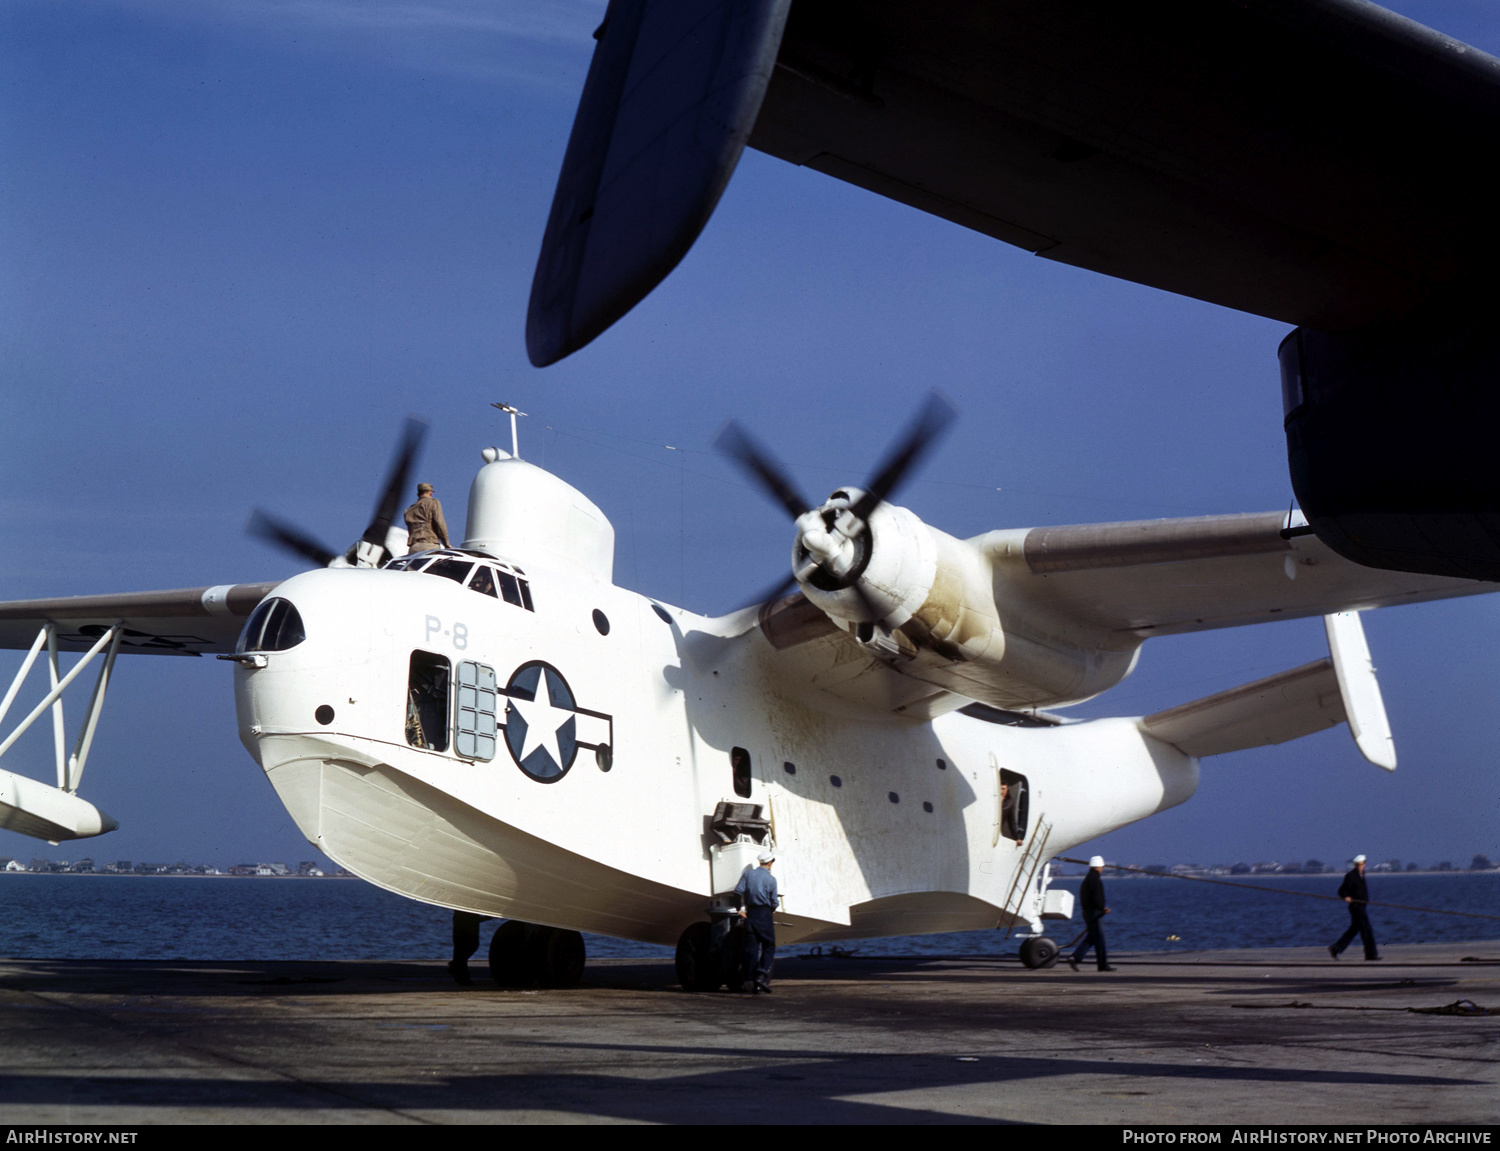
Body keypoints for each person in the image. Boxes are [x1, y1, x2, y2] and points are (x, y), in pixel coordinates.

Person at [736, 850, 779, 994]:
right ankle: (761, 976)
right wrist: (772, 909)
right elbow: (774, 902)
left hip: (750, 913)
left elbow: (737, 892)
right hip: (764, 913)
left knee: (751, 948)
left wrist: (739, 909)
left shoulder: (748, 874)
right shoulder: (771, 880)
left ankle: (749, 979)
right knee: (769, 945)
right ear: (770, 862)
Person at [1069, 855, 1116, 971]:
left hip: (1086, 912)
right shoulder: (1096, 880)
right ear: (1098, 867)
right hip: (1095, 913)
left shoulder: (1086, 879)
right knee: (1100, 939)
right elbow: (1097, 898)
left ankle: (1075, 957)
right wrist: (1102, 909)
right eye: (1102, 867)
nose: (1102, 869)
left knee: (1091, 937)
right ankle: (1102, 965)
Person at [1329, 854, 1381, 960]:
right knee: (1366, 930)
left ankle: (1335, 948)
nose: (1360, 866)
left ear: (1364, 864)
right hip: (1356, 907)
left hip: (1362, 906)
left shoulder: (1362, 874)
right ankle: (1370, 954)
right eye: (1358, 865)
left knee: (1354, 930)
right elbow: (1341, 890)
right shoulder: (1351, 876)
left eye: (1361, 864)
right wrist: (1346, 897)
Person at [449, 910, 493, 984]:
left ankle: (459, 972)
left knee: (461, 948)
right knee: (468, 946)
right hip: (467, 920)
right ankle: (460, 973)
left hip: (463, 919)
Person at [405, 482, 450, 552]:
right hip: (429, 545)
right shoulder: (433, 502)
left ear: (418, 494)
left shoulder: (408, 510)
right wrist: (446, 543)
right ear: (430, 493)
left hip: (413, 548)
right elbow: (440, 523)